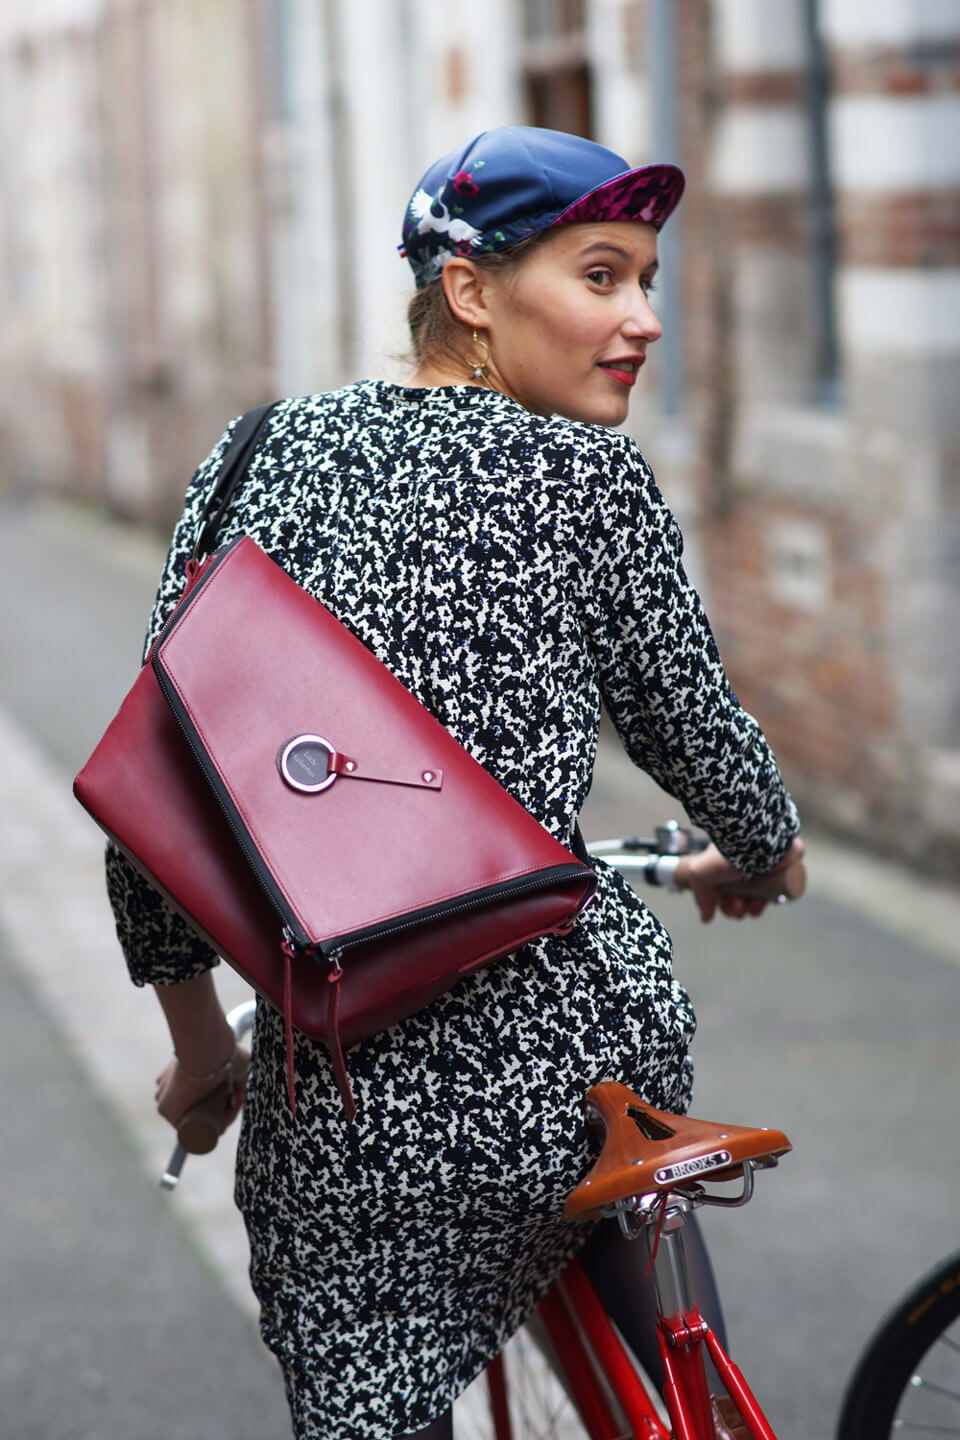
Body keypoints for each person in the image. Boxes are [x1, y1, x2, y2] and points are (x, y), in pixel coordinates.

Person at [105, 126, 802, 1439]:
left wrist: (203, 1053)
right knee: (620, 1272)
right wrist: (762, 850)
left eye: (648, 280)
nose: (643, 319)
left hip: (362, 1090)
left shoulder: (255, 456)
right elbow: (693, 727)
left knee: (368, 1357)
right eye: (602, 277)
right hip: (583, 1060)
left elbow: (155, 798)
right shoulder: (593, 478)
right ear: (471, 291)